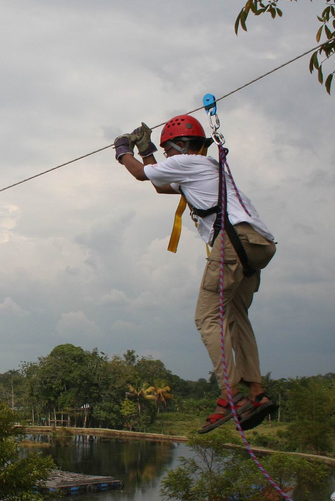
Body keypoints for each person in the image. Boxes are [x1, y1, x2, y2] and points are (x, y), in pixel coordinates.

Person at [115, 116, 278, 433]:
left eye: (166, 152)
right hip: (259, 245)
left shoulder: (190, 163)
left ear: (177, 148)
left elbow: (139, 174)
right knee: (236, 315)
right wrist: (146, 149)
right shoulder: (205, 168)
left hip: (234, 242)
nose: (166, 159)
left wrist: (122, 150)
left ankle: (231, 396)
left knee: (206, 317)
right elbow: (161, 185)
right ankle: (256, 393)